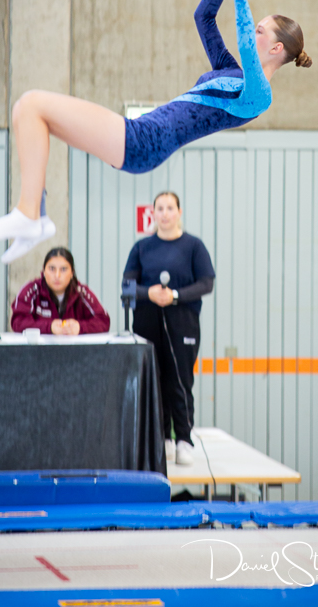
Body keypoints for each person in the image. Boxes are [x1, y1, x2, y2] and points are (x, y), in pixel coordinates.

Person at [0, 0, 311, 261]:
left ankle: (29, 216)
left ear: (277, 48)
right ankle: (35, 215)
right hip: (143, 133)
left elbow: (247, 47)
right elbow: (203, 18)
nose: (253, 31)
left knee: (32, 104)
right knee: (28, 112)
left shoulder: (259, 96)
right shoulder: (231, 71)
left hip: (147, 140)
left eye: (260, 30)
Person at [123, 192, 215, 466]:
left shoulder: (194, 246)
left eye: (170, 208)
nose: (164, 213)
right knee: (154, 380)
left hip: (183, 322)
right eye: (160, 208)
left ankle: (184, 439)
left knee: (180, 380)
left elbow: (206, 283)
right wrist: (148, 293)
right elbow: (127, 286)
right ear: (153, 213)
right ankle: (162, 439)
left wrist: (175, 295)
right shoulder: (142, 248)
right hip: (147, 321)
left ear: (179, 212)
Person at [11, 247, 110, 335]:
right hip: (38, 349)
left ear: (72, 273)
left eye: (63, 269)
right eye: (52, 269)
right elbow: (18, 322)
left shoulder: (82, 292)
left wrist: (80, 327)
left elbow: (103, 321)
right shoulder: (30, 291)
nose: (57, 275)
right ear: (44, 271)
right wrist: (49, 327)